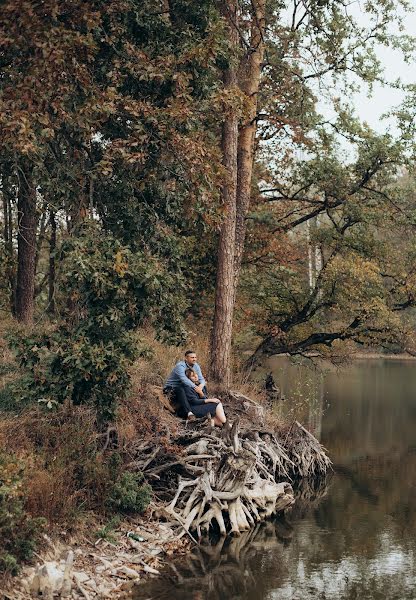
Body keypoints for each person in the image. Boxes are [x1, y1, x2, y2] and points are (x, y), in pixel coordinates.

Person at [163, 350, 207, 419]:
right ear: (186, 358)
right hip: (171, 387)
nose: (194, 359)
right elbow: (184, 380)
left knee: (202, 387)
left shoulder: (196, 366)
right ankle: (189, 413)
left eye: (195, 357)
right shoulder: (180, 366)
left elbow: (201, 379)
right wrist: (196, 387)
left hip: (186, 386)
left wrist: (200, 386)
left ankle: (205, 406)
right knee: (181, 388)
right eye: (192, 357)